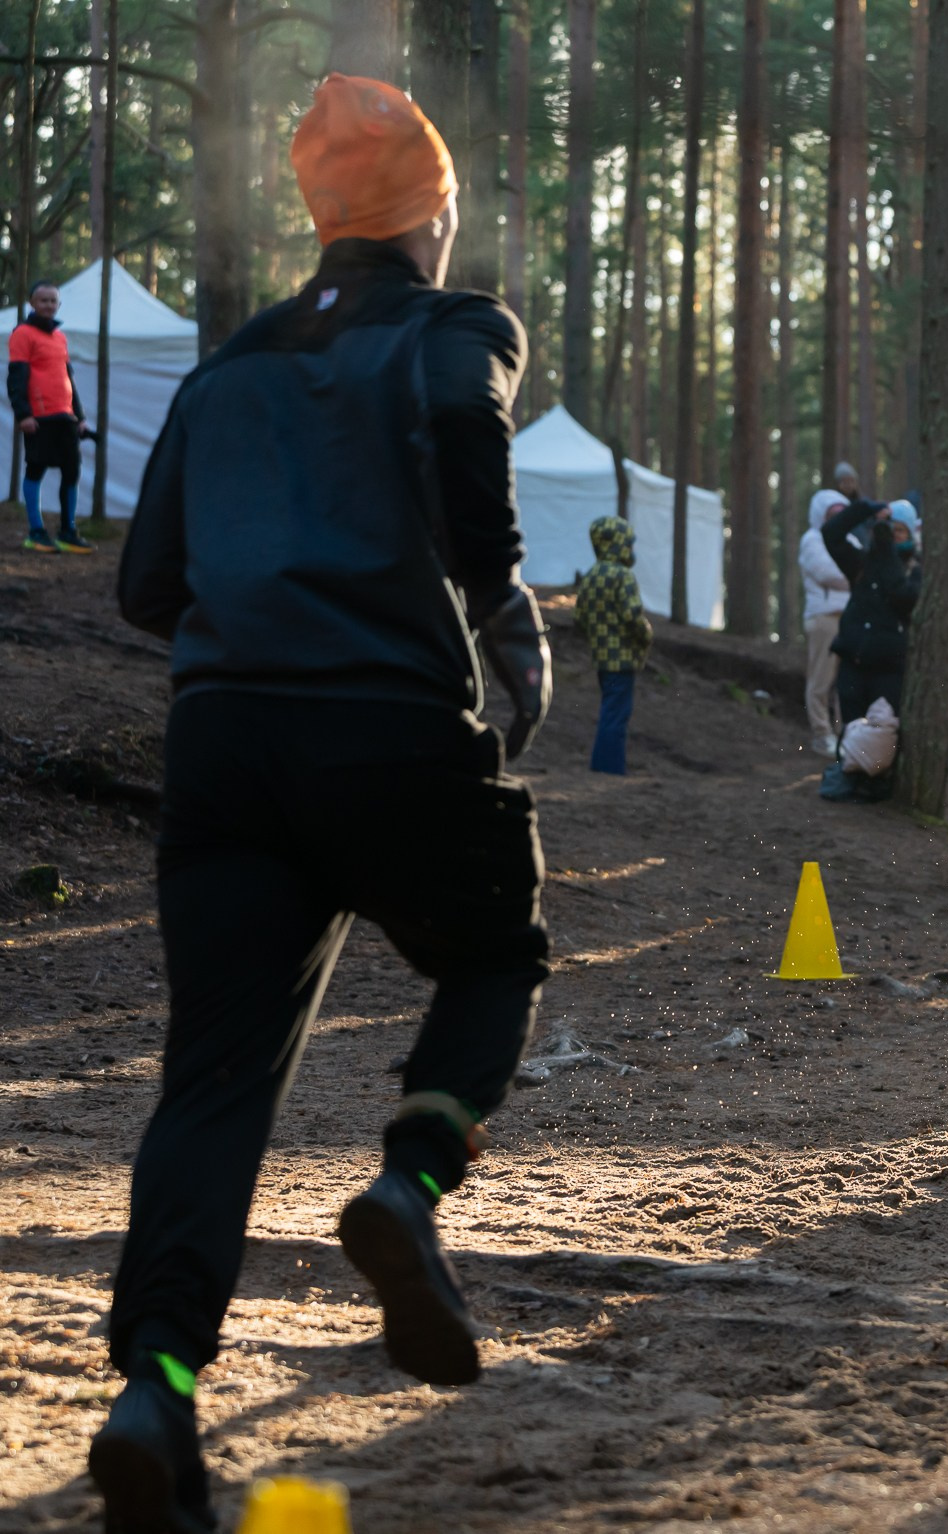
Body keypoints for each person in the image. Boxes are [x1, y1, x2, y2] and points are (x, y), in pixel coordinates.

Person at [96, 74, 551, 1530]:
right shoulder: (456, 325)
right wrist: (499, 603)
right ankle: (412, 1182)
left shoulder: (228, 366)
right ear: (429, 216)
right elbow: (466, 422)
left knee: (215, 1078)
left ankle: (155, 1388)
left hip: (225, 746)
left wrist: (259, 612)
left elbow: (144, 587)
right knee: (493, 951)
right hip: (391, 727)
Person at [820, 493, 918, 802]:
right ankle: (847, 776)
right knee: (850, 724)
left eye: (898, 529)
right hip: (853, 658)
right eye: (887, 526)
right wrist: (865, 509)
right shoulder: (862, 562)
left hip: (888, 666)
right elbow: (831, 534)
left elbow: (903, 598)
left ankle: (875, 783)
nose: (890, 533)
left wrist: (885, 549)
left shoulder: (914, 569)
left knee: (884, 730)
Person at [10, 278, 97, 553]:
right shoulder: (23, 333)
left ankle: (67, 531)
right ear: (32, 303)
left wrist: (79, 415)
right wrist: (23, 414)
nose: (48, 305)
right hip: (39, 416)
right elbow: (16, 377)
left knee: (72, 471)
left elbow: (67, 377)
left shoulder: (60, 337)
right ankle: (36, 532)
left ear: (58, 304)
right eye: (43, 300)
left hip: (65, 417)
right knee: (36, 469)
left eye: (53, 301)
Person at [575, 515, 651, 774]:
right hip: (623, 659)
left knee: (610, 710)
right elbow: (632, 616)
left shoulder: (591, 575)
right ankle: (610, 770)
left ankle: (603, 766)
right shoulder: (622, 576)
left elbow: (580, 617)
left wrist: (598, 638)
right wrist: (645, 634)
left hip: (601, 658)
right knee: (616, 716)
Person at [798, 485, 854, 758]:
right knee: (821, 678)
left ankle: (845, 734)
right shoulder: (812, 540)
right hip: (824, 618)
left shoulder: (851, 541)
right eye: (833, 514)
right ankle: (822, 734)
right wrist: (856, 578)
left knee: (846, 680)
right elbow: (827, 573)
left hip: (849, 618)